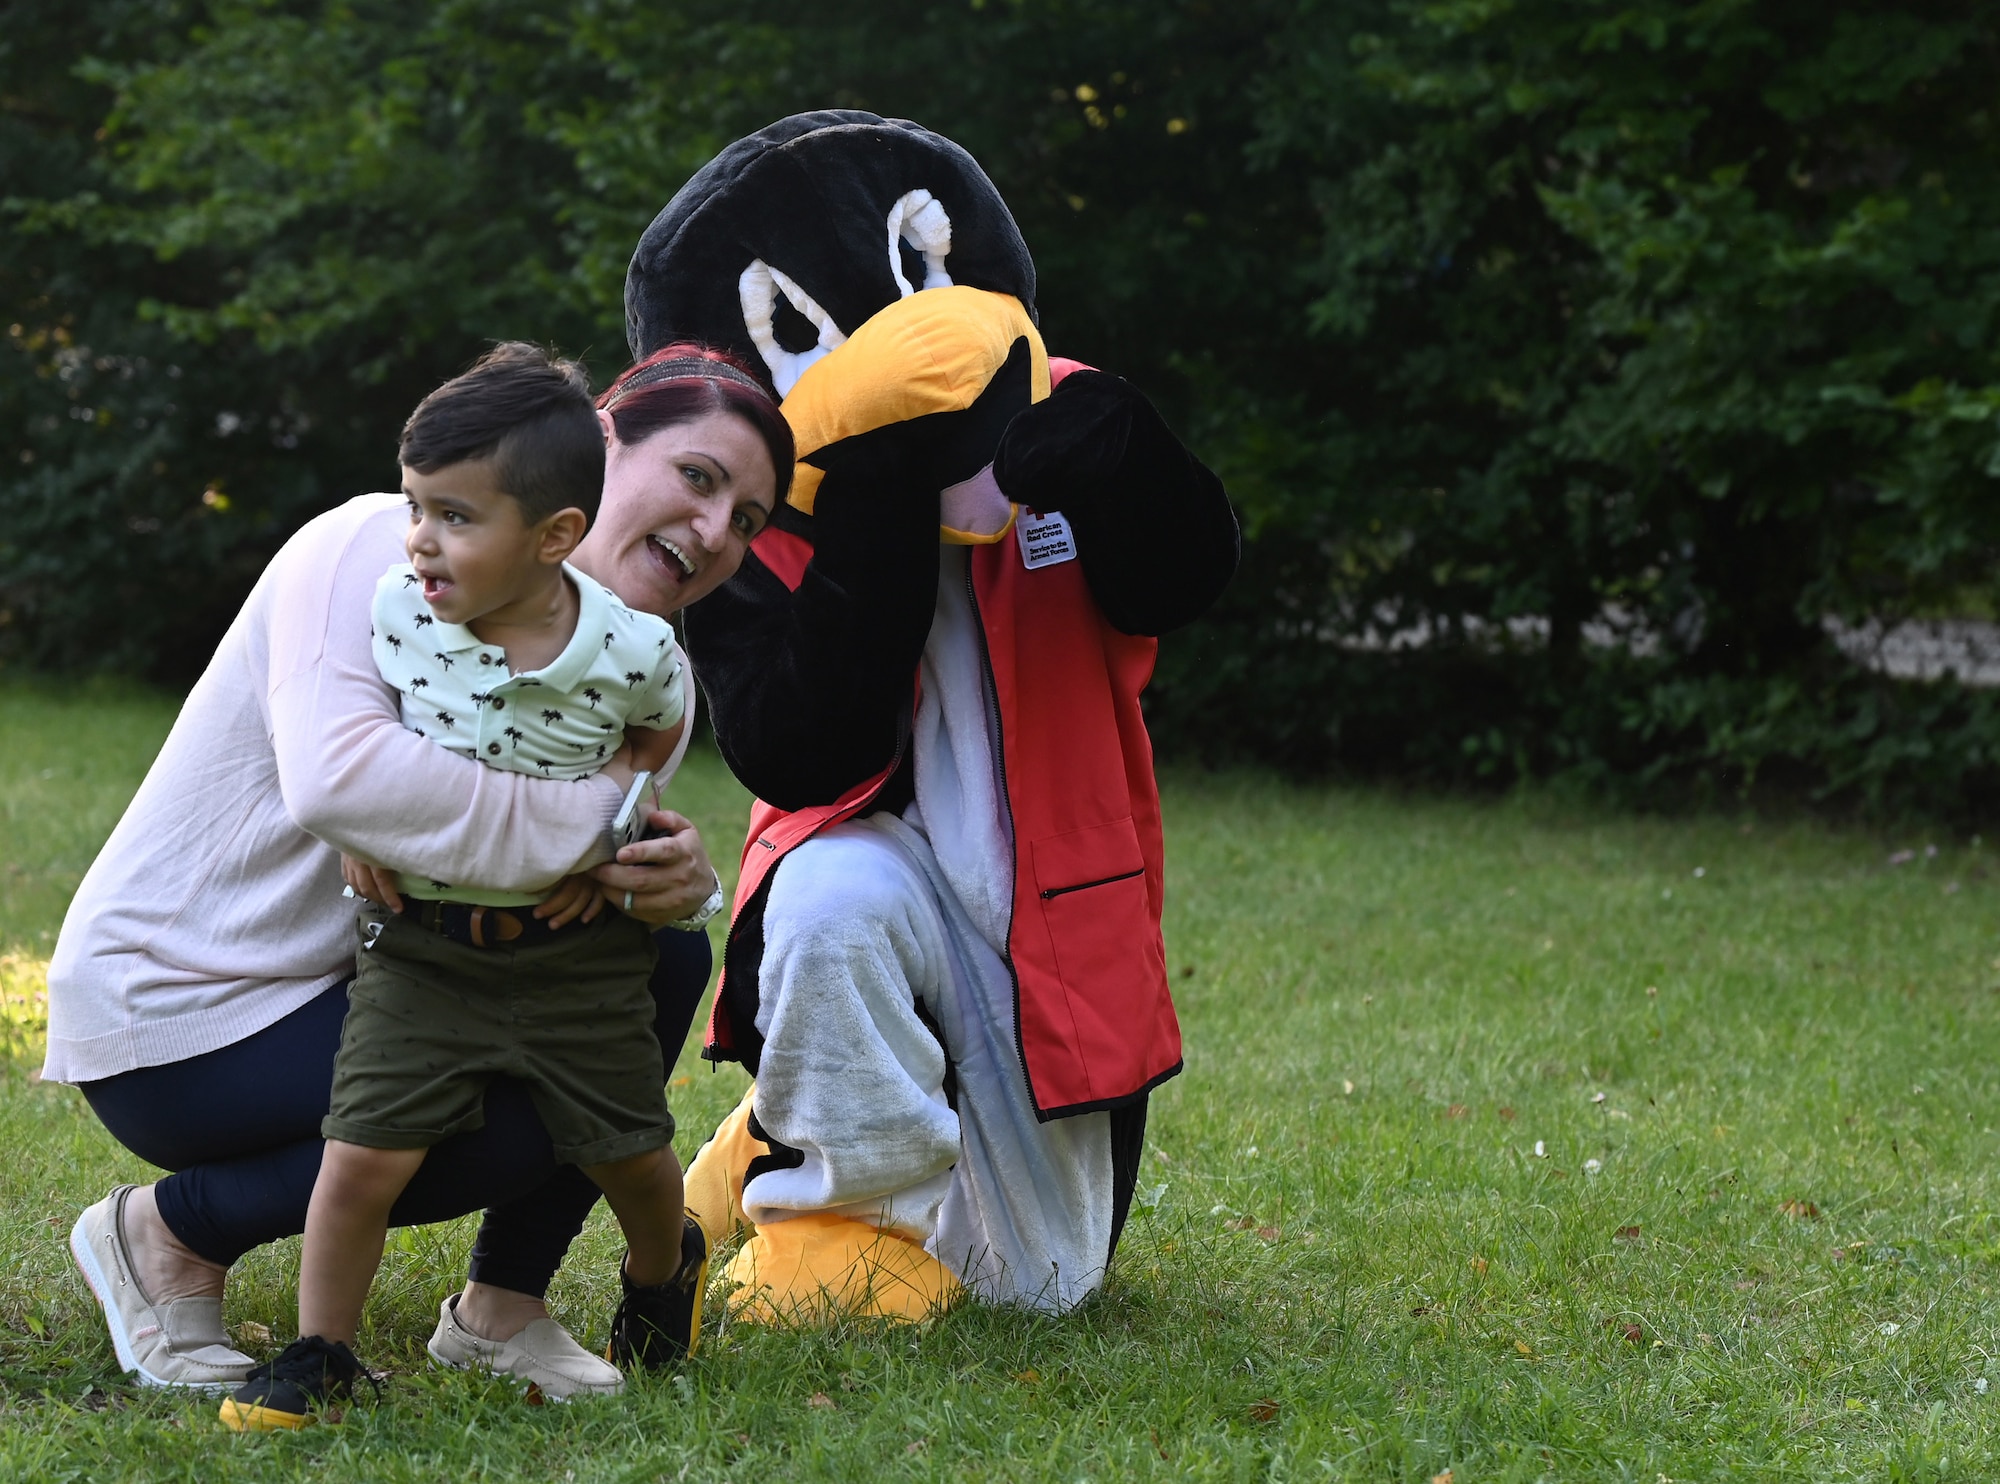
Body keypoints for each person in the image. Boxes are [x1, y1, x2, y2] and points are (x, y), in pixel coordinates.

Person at [44, 342, 792, 1398]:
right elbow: (343, 784)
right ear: (600, 445)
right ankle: (164, 1234)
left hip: (372, 974)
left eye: (747, 518)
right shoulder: (368, 549)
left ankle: (503, 1307)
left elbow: (579, 858)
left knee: (658, 956)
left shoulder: (630, 668)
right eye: (700, 478)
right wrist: (600, 830)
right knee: (486, 1111)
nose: (715, 530)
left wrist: (662, 873)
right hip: (185, 1006)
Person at [624, 113, 1239, 1321]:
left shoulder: (1066, 410)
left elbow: (1187, 578)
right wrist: (879, 501)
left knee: (1037, 1288)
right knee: (826, 895)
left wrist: (1123, 463)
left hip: (1048, 897)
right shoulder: (758, 505)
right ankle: (829, 1213)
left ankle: (762, 1133)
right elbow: (800, 752)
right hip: (867, 862)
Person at [218, 344, 714, 1429]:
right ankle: (321, 1353)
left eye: (453, 515)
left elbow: (664, 720)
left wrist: (619, 801)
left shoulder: (628, 646)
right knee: (360, 1156)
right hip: (422, 949)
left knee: (627, 1151)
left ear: (553, 537)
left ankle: (659, 1262)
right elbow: (365, 741)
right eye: (414, 506)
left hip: (576, 959)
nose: (420, 539)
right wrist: (373, 824)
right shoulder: (401, 609)